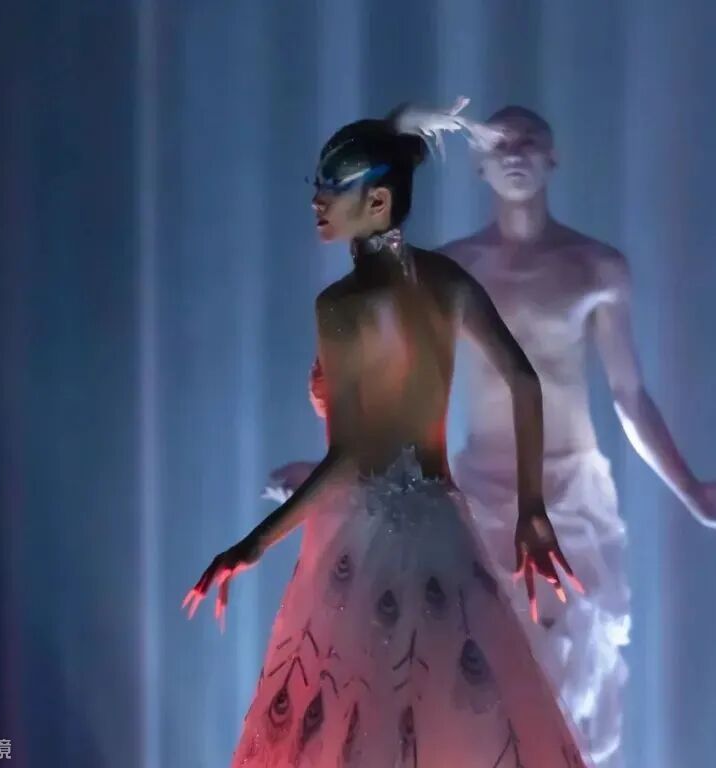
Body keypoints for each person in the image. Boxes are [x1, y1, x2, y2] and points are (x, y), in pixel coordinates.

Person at [274, 105, 716, 767]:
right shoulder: (451, 269)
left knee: (576, 670)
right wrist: (327, 474)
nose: (515, 151)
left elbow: (629, 396)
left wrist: (691, 491)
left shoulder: (597, 268)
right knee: (479, 673)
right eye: (500, 142)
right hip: (480, 491)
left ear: (552, 159)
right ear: (479, 166)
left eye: (529, 140)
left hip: (574, 494)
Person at [186, 100, 592, 767]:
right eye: (318, 185)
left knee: (361, 722)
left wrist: (252, 544)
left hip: (363, 543)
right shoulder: (445, 280)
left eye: (332, 189)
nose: (317, 201)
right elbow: (524, 381)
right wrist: (531, 508)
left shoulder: (343, 306)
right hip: (443, 533)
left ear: (377, 202)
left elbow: (353, 456)